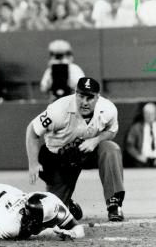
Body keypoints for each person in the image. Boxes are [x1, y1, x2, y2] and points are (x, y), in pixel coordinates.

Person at [26, 77, 125, 222]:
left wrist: (96, 140)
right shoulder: (58, 110)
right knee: (54, 214)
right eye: (81, 96)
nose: (84, 102)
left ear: (98, 97)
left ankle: (114, 204)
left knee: (110, 149)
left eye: (90, 97)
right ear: (75, 93)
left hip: (87, 151)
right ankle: (68, 204)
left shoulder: (108, 109)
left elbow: (112, 131)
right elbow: (32, 131)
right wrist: (33, 163)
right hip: (58, 158)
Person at [125, 102, 156, 167]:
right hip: (142, 161)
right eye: (147, 113)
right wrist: (138, 156)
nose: (150, 116)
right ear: (144, 114)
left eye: (152, 113)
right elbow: (129, 145)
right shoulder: (136, 128)